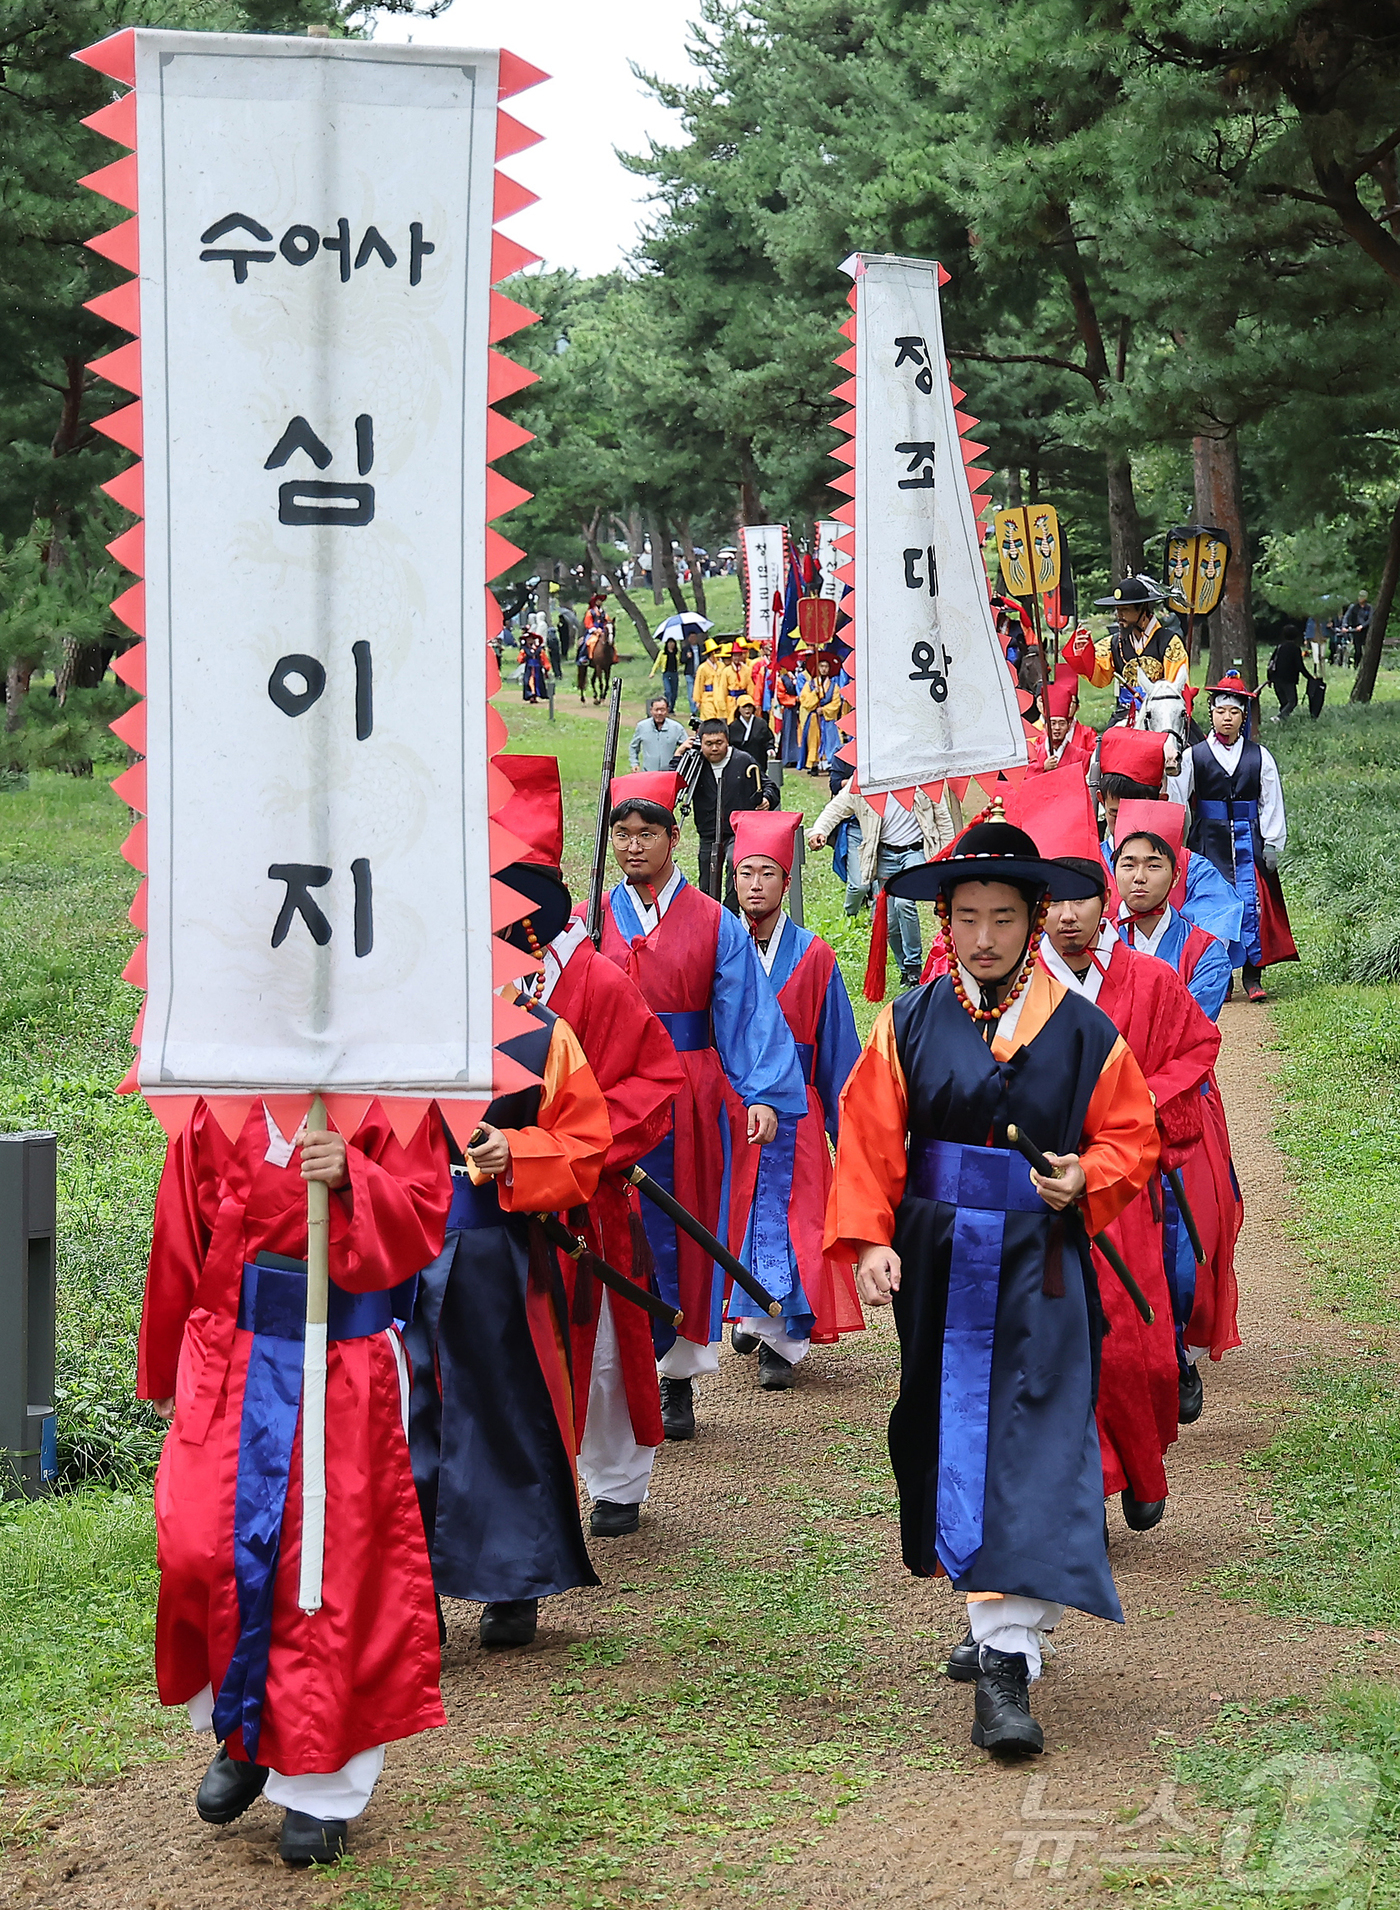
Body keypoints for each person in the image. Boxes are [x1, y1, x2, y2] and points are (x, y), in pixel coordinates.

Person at [827, 811, 1158, 1755]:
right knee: (947, 1431)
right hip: (936, 1262)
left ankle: (1007, 1659)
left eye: (1002, 917)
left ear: (1035, 916)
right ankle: (993, 1612)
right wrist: (868, 1241)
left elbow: (1131, 1135)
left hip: (1039, 1261)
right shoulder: (910, 1020)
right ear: (946, 922)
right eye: (966, 915)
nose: (982, 936)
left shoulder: (1087, 1031)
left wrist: (1085, 1176)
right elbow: (868, 1139)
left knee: (1035, 1437)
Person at [138, 1099, 452, 1865]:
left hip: (337, 1358)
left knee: (325, 1571)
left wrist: (355, 1175)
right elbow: (181, 1228)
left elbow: (422, 1220)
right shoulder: (219, 1095)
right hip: (227, 1355)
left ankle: (322, 1786)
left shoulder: (393, 1096)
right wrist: (166, 1363)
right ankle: (245, 1728)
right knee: (200, 1551)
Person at [401, 862, 613, 1651]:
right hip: (396, 1246)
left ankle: (512, 1575)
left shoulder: (543, 1037)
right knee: (400, 1415)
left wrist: (514, 1150)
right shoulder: (387, 1032)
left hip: (492, 1247)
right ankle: (403, 1586)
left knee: (502, 1406)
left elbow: (586, 1145)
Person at [482, 758, 685, 1548]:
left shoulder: (597, 982)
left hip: (587, 1197)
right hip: (497, 1203)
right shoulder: (482, 992)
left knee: (603, 1347)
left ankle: (616, 1478)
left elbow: (654, 1077)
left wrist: (591, 1145)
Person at [599, 774, 807, 1441]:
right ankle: (620, 1377)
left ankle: (677, 1378)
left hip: (686, 1096)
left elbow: (746, 1012)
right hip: (605, 1097)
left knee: (681, 1234)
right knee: (615, 1236)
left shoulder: (714, 923)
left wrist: (765, 1093)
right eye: (622, 834)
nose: (633, 847)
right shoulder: (592, 918)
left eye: (646, 833)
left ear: (673, 837)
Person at [1036, 825, 1219, 1531]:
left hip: (1123, 1193)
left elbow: (1199, 1045)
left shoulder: (1149, 979)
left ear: (1103, 903)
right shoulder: (1020, 986)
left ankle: (1140, 1467)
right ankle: (1084, 1494)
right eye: (1055, 902)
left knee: (1133, 1349)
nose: (1069, 915)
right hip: (1045, 1193)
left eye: (1083, 900)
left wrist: (1144, 1096)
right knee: (1058, 1347)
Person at [1108, 803, 1244, 1416]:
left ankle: (1175, 1341)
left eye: (1152, 864)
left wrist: (1139, 1091)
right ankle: (1151, 1356)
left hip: (1183, 1117)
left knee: (1185, 1246)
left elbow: (1187, 1037)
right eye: (1126, 863)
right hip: (1107, 1121)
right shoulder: (1092, 947)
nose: (1138, 876)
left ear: (1176, 874)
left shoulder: (1207, 952)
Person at [728, 811, 864, 1389]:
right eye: (745, 873)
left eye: (767, 873)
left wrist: (849, 1127)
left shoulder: (815, 957)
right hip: (735, 1109)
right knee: (738, 1210)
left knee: (798, 1217)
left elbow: (837, 1047)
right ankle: (751, 1309)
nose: (755, 884)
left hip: (798, 1110)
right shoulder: (721, 948)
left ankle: (783, 1337)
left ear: (787, 883)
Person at [1174, 672, 1297, 1001]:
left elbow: (1271, 801)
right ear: (1210, 713)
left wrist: (1272, 842)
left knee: (1252, 905)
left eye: (1234, 712)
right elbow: (1178, 800)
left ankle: (1253, 976)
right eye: (1220, 711)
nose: (1226, 718)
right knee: (1212, 906)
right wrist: (1177, 843)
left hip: (1249, 840)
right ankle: (1222, 976)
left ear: (1244, 716)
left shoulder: (1259, 756)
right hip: (1207, 841)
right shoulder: (1194, 756)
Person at [1096, 728, 1245, 958]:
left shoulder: (1192, 869)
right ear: (1101, 801)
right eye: (1115, 814)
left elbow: (1212, 939)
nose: (1126, 827)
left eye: (1136, 814)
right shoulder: (1089, 864)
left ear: (1161, 800)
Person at [808, 782, 957, 991]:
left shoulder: (922, 776)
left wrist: (948, 856)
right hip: (884, 855)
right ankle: (904, 967)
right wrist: (819, 830)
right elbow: (836, 807)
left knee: (905, 903)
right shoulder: (864, 780)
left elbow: (943, 818)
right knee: (888, 920)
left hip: (914, 852)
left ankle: (914, 966)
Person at [1064, 577, 1188, 722]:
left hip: (1162, 715)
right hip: (1125, 714)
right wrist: (1083, 652)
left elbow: (1178, 687)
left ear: (1142, 608)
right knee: (1104, 743)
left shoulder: (1169, 642)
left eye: (1125, 610)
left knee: (1193, 742)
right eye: (1117, 610)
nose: (1119, 615)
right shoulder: (1114, 643)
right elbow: (1099, 678)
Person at [682, 717, 777, 908]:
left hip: (739, 830)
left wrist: (767, 798)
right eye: (709, 744)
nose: (714, 748)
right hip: (708, 832)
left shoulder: (743, 760)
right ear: (701, 743)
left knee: (735, 862)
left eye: (719, 743)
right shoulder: (696, 763)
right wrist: (680, 753)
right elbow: (674, 779)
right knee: (708, 877)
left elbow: (769, 785)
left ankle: (731, 911)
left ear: (727, 740)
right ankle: (711, 915)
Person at [1026, 674, 1096, 775]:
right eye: (1053, 723)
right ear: (1045, 727)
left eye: (1062, 723)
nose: (1057, 728)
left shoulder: (1082, 756)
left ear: (1068, 726)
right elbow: (1024, 780)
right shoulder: (1034, 754)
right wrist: (1042, 767)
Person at [629, 696, 689, 773]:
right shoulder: (642, 727)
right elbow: (633, 747)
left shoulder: (677, 728)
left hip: (669, 773)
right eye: (656, 710)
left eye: (662, 710)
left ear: (667, 710)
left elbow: (687, 747)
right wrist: (634, 763)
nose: (659, 713)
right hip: (648, 773)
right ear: (651, 710)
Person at [1266, 626, 1313, 720]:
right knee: (1292, 701)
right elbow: (1300, 666)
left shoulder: (1279, 647)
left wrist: (1269, 678)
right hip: (1288, 679)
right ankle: (1279, 718)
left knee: (1284, 702)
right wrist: (1310, 677)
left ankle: (1282, 721)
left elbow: (1271, 663)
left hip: (1276, 678)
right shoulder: (1295, 649)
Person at [728, 696, 776, 781]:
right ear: (738, 709)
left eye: (749, 707)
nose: (747, 709)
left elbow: (768, 739)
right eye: (744, 707)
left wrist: (770, 748)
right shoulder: (733, 727)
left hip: (759, 757)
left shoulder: (761, 723)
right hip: (740, 761)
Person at [693, 639, 738, 723]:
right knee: (709, 719)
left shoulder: (721, 665)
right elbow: (699, 684)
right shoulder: (702, 668)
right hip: (708, 696)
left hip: (719, 695)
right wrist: (698, 699)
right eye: (715, 652)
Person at [1341, 590, 1371, 667]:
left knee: (1367, 650)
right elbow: (1346, 616)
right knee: (1358, 650)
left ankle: (1366, 665)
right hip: (1356, 631)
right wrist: (1344, 626)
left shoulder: (1369, 608)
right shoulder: (1353, 607)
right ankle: (1356, 665)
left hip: (1366, 631)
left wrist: (1362, 626)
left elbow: (1370, 619)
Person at [656, 636, 682, 714]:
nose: (671, 644)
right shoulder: (663, 653)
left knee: (674, 693)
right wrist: (653, 672)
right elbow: (657, 663)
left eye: (672, 643)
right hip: (666, 674)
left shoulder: (677, 653)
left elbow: (679, 662)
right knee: (668, 691)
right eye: (669, 643)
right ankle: (666, 707)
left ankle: (671, 708)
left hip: (674, 673)